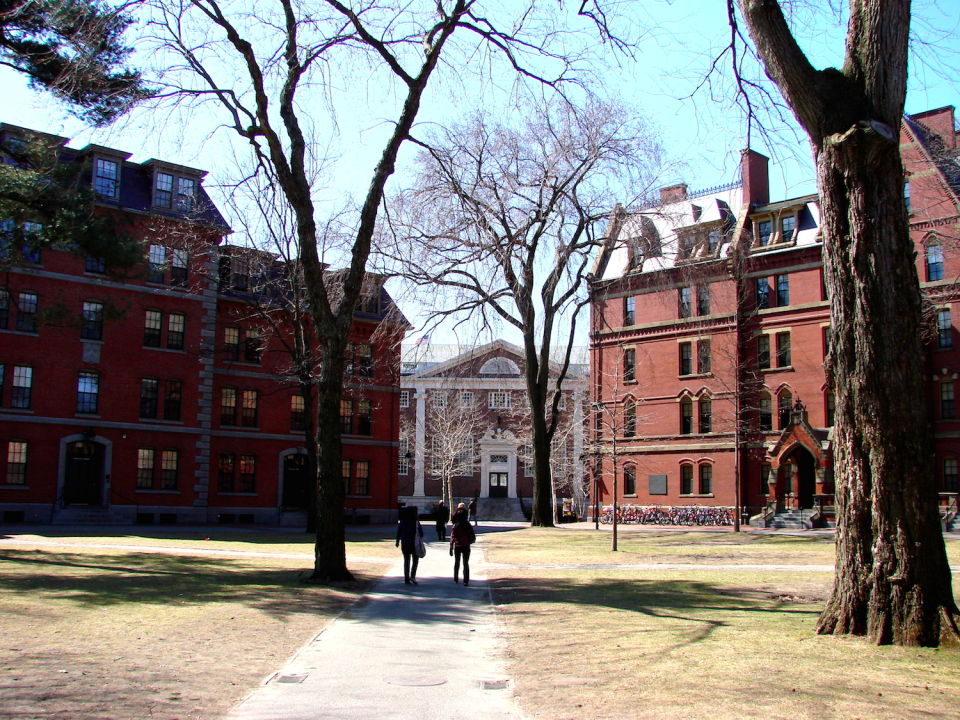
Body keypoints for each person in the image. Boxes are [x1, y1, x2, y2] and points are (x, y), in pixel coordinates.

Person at [396, 506, 424, 585]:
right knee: (415, 560)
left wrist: (397, 541)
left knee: (406, 560)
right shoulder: (416, 522)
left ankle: (406, 578)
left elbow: (399, 532)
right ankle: (413, 575)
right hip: (414, 543)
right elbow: (421, 534)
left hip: (405, 542)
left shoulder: (403, 522)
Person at [449, 514, 476, 585]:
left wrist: (451, 547)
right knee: (466, 563)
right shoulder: (468, 525)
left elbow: (452, 537)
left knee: (457, 562)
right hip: (466, 545)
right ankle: (466, 580)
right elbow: (472, 534)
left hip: (458, 545)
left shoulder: (455, 526)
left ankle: (456, 578)